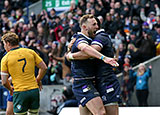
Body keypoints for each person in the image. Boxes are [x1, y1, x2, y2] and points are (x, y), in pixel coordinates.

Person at [67, 17, 121, 115]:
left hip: (97, 81)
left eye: (97, 24)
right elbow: (86, 49)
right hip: (83, 82)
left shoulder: (97, 37)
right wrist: (104, 58)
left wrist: (70, 56)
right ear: (85, 27)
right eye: (94, 24)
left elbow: (88, 52)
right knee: (100, 113)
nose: (97, 26)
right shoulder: (81, 39)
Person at [1, 32, 47, 115]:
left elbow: (4, 82)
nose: (4, 46)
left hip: (19, 91)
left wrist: (10, 89)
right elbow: (44, 68)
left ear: (8, 44)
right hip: (34, 90)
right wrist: (38, 79)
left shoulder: (6, 58)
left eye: (4, 44)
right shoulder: (30, 52)